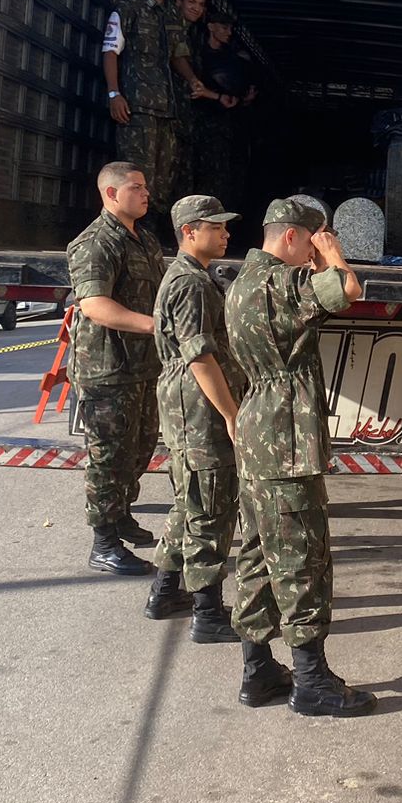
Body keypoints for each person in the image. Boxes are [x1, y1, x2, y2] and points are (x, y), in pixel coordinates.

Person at [225, 198, 376, 715]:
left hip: (256, 429)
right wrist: (334, 255)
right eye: (311, 241)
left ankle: (258, 670)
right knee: (300, 557)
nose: (314, 253)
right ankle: (312, 682)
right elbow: (348, 290)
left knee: (257, 552)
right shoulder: (282, 283)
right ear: (291, 237)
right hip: (285, 437)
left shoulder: (241, 283)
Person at [144, 195, 247, 642]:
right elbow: (200, 357)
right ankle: (207, 614)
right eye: (216, 227)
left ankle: (165, 593)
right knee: (209, 507)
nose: (226, 234)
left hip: (190, 406)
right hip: (199, 410)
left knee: (190, 502)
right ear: (189, 232)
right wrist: (231, 414)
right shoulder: (191, 284)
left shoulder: (194, 276)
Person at [66, 161, 167, 575]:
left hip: (142, 366)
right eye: (136, 187)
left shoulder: (144, 239)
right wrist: (156, 326)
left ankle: (122, 514)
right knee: (109, 457)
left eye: (145, 187)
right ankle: (104, 542)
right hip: (107, 369)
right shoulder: (95, 244)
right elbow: (95, 305)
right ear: (111, 193)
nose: (146, 194)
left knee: (139, 448)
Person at [102, 0, 212, 225]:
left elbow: (178, 55)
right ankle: (128, 233)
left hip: (168, 109)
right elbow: (111, 50)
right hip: (137, 107)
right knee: (136, 176)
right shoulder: (130, 6)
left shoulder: (173, 13)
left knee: (162, 181)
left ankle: (149, 235)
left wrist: (192, 79)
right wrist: (114, 93)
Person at [186, 8, 256, 210]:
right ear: (211, 26)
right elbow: (192, 86)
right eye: (224, 27)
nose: (229, 32)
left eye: (230, 28)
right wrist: (217, 96)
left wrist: (242, 99)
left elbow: (240, 90)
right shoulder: (198, 54)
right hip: (198, 119)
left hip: (224, 123)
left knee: (219, 174)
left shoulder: (233, 58)